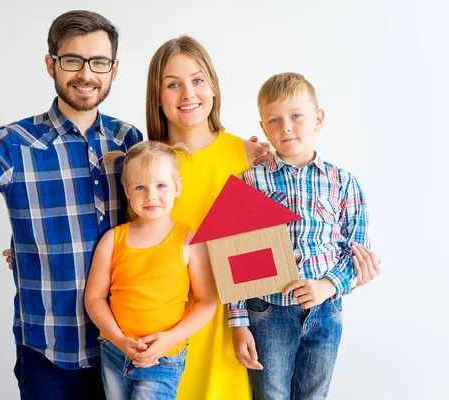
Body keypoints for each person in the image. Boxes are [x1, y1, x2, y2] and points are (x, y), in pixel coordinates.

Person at [0, 10, 142, 400]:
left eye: (99, 62)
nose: (86, 74)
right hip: (49, 353)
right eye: (73, 60)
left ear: (114, 69)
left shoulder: (129, 139)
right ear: (51, 64)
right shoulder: (12, 143)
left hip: (125, 348)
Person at [145, 37, 381, 400]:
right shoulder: (145, 166)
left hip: (245, 324)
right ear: (156, 97)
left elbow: (343, 243)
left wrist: (339, 280)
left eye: (197, 80)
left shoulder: (251, 157)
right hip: (169, 327)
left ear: (213, 86)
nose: (187, 93)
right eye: (172, 84)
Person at [229, 72, 373, 399]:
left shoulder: (344, 182)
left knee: (313, 395)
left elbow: (358, 251)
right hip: (268, 312)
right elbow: (235, 259)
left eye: (297, 116)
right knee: (271, 394)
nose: (286, 127)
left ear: (318, 119)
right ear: (264, 128)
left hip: (326, 311)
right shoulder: (249, 183)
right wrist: (238, 322)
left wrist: (328, 285)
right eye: (275, 120)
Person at [84, 141, 217, 399]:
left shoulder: (189, 242)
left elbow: (207, 302)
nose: (151, 196)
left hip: (163, 360)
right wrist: (120, 340)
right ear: (127, 191)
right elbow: (94, 298)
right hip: (114, 352)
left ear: (177, 187)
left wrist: (169, 340)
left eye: (161, 186)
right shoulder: (112, 240)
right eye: (140, 187)